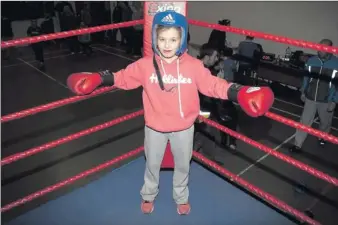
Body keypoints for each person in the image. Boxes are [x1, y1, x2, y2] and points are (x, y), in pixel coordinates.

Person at [66, 10, 274, 215]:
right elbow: (122, 78)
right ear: (155, 38)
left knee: (183, 166)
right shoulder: (145, 65)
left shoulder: (193, 66)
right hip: (155, 128)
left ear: (182, 39)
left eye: (173, 39)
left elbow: (213, 85)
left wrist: (238, 91)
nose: (167, 45)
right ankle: (148, 194)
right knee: (152, 164)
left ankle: (181, 197)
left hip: (184, 129)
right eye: (162, 38)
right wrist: (100, 78)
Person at [289, 39, 338, 153]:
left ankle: (322, 137)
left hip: (327, 100)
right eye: (319, 47)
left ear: (330, 49)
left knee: (325, 123)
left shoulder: (336, 63)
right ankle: (297, 145)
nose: (319, 50)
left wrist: (334, 101)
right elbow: (306, 78)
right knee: (304, 122)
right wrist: (303, 92)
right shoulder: (312, 61)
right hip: (311, 98)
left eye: (323, 48)